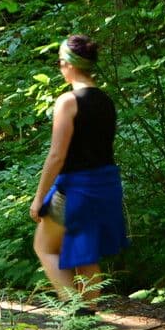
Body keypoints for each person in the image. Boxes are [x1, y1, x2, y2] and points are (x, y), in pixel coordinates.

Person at [30, 36, 127, 312]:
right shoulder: (106, 101)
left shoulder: (68, 101)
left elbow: (57, 156)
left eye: (61, 62)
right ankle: (88, 328)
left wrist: (38, 199)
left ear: (69, 65)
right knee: (87, 256)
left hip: (77, 190)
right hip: (107, 186)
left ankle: (76, 310)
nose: (60, 68)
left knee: (44, 246)